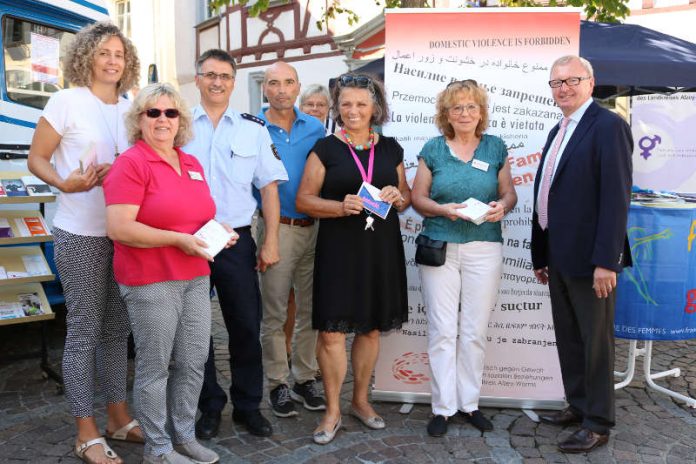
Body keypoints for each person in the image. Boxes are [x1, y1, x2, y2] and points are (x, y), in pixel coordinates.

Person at [27, 21, 142, 464]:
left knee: (117, 331)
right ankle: (85, 430)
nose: (113, 61)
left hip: (123, 234)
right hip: (79, 233)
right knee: (84, 332)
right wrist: (63, 182)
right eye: (104, 53)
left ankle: (117, 416)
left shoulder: (133, 107)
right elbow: (36, 157)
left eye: (120, 54)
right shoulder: (65, 101)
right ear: (87, 58)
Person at [104, 83, 228, 464]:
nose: (162, 120)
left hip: (195, 273)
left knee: (193, 362)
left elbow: (199, 216)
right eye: (153, 112)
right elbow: (119, 228)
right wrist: (178, 240)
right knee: (155, 366)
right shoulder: (131, 163)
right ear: (138, 120)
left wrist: (219, 232)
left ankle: (185, 437)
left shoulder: (189, 162)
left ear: (181, 121)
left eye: (170, 113)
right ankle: (157, 449)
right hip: (150, 278)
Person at [296, 73, 411, 445]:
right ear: (337, 107)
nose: (353, 110)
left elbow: (406, 198)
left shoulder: (392, 148)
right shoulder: (326, 149)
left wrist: (397, 195)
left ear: (375, 107)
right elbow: (304, 201)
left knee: (371, 328)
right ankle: (332, 410)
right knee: (331, 332)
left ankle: (361, 401)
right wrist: (338, 205)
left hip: (380, 250)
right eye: (346, 104)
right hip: (339, 249)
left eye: (361, 104)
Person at [183, 49, 288, 439]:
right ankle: (209, 405)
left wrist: (270, 240)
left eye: (225, 76)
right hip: (189, 241)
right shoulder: (178, 127)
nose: (217, 82)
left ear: (234, 81)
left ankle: (248, 406)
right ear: (197, 79)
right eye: (209, 74)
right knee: (195, 332)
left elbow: (269, 187)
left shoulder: (253, 129)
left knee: (245, 325)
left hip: (236, 241)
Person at [531, 55, 632, 453]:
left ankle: (598, 422)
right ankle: (577, 405)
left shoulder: (609, 126)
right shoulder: (559, 129)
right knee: (570, 337)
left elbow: (616, 198)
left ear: (591, 82)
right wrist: (542, 254)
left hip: (593, 260)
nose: (563, 88)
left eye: (571, 80)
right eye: (556, 83)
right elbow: (548, 193)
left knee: (595, 343)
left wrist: (607, 261)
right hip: (558, 254)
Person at [411, 80, 517, 438]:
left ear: (481, 112)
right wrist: (442, 209)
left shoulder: (495, 146)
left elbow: (509, 194)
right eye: (457, 107)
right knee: (442, 331)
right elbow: (417, 198)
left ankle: (469, 403)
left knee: (473, 331)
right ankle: (442, 408)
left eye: (471, 106)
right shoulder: (433, 149)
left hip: (484, 247)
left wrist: (501, 207)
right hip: (440, 247)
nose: (465, 113)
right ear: (446, 114)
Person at [257, 62, 326, 418]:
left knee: (312, 309)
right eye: (273, 83)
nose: (282, 89)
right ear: (264, 89)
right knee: (275, 311)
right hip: (276, 228)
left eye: (288, 82)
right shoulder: (252, 128)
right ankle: (277, 383)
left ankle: (304, 377)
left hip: (315, 228)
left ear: (298, 86)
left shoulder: (315, 128)